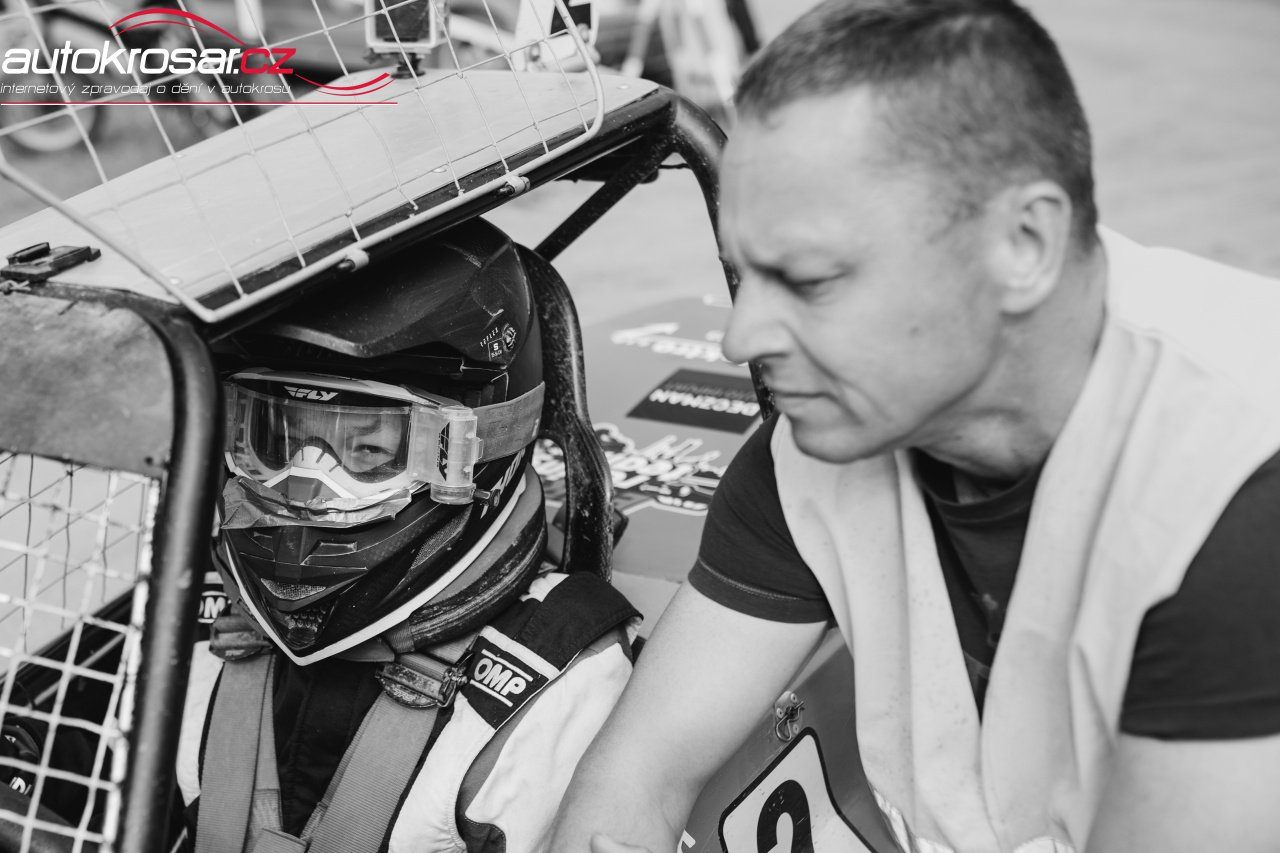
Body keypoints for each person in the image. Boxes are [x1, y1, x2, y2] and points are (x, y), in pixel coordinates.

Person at [549, 1, 1280, 851]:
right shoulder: (822, 443)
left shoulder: (1234, 491)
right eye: (746, 276)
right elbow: (636, 778)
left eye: (811, 281)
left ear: (1024, 243)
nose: (739, 338)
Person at [0, 218, 640, 853]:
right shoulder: (190, 611)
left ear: (469, 448)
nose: (305, 489)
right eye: (274, 439)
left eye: (367, 450)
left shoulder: (560, 680)